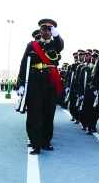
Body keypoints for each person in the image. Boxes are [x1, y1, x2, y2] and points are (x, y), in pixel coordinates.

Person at [16, 19, 65, 154]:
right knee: (34, 114)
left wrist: (57, 36)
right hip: (34, 83)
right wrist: (21, 84)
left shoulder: (55, 44)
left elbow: (60, 46)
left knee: (49, 114)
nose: (47, 32)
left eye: (50, 30)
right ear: (40, 31)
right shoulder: (32, 46)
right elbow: (24, 64)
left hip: (50, 83)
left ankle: (46, 141)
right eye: (44, 29)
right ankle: (35, 143)